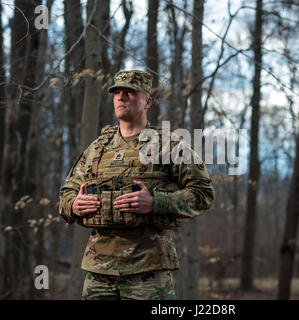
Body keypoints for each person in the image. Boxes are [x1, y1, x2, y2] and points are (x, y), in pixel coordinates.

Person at [59, 70, 214, 300]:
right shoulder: (96, 149)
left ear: (147, 101)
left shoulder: (168, 145)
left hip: (148, 272)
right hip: (99, 272)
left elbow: (203, 194)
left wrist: (156, 202)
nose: (121, 97)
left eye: (130, 92)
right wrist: (73, 205)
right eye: (117, 92)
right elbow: (66, 194)